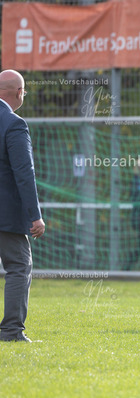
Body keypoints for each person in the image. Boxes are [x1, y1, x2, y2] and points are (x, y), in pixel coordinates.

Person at [0, 69, 45, 343]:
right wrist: (35, 216)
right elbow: (24, 173)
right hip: (6, 216)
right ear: (19, 92)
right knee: (18, 266)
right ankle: (11, 331)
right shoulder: (13, 123)